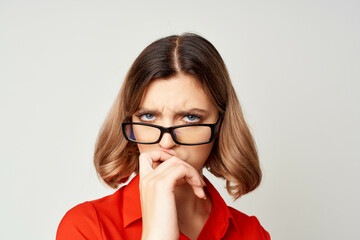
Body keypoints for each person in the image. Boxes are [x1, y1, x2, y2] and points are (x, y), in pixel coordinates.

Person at [56, 33, 270, 240]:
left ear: (220, 125)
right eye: (148, 116)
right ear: (130, 120)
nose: (166, 142)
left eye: (190, 118)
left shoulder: (251, 233)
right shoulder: (87, 227)